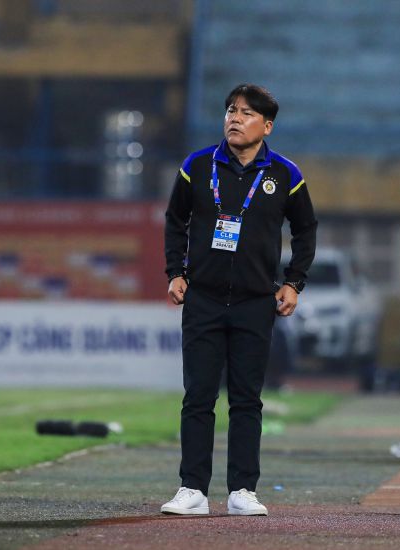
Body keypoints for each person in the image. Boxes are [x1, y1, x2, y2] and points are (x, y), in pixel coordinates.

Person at [161, 84, 317, 515]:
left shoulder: (285, 174)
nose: (234, 118)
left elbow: (306, 230)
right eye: (231, 110)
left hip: (254, 301)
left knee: (247, 398)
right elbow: (175, 220)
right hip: (203, 299)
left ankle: (242, 491)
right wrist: (175, 271)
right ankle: (191, 489)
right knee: (198, 396)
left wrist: (294, 282)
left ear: (266, 126)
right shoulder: (197, 166)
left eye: (246, 113)